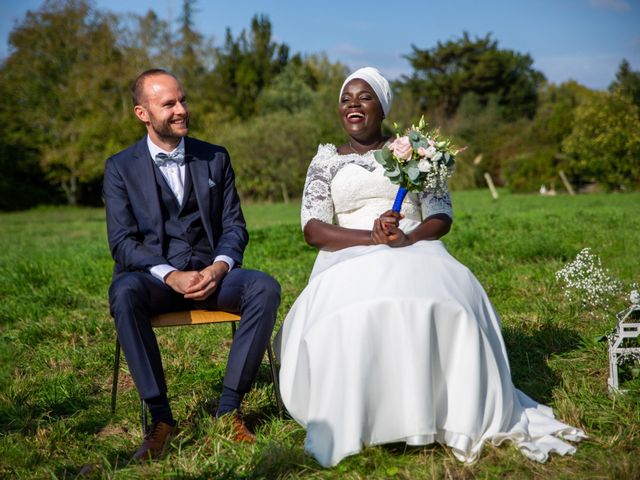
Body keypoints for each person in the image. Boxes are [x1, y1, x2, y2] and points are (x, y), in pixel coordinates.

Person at [277, 67, 586, 467]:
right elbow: (313, 229)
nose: (353, 104)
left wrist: (409, 237)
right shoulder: (325, 162)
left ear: (383, 108)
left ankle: (445, 411)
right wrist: (368, 239)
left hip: (411, 243)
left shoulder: (419, 153)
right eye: (346, 98)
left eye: (364, 96)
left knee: (442, 299)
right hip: (346, 250)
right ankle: (363, 415)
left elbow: (441, 216)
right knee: (352, 310)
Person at [103, 69, 280, 461]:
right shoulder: (120, 167)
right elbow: (122, 242)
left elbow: (234, 226)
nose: (181, 109)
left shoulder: (215, 156)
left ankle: (228, 411)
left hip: (213, 278)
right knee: (123, 291)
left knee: (264, 287)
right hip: (156, 284)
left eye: (182, 100)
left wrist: (218, 268)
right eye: (169, 104)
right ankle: (162, 420)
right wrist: (171, 275)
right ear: (142, 113)